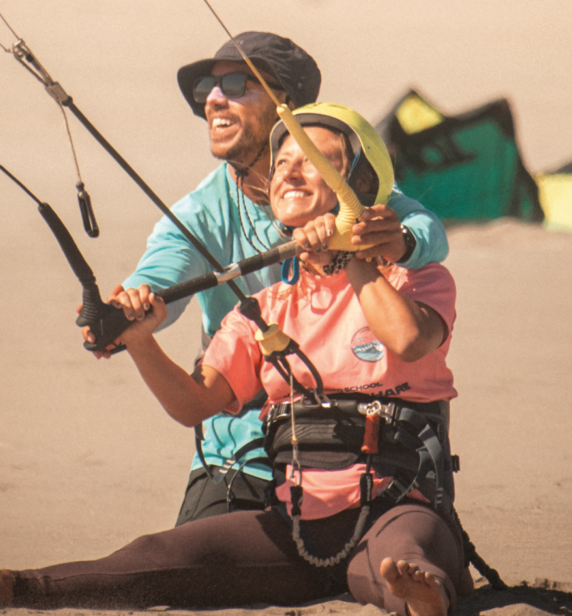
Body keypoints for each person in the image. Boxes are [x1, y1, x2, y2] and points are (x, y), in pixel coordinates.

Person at [0, 104, 472, 616]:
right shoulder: (267, 308)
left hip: (399, 507)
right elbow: (193, 404)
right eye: (282, 164)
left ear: (360, 187)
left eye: (314, 161)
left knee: (398, 557)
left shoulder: (416, 279)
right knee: (159, 554)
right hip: (298, 525)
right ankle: (14, 586)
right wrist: (139, 341)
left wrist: (350, 252)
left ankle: (422, 596)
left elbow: (407, 338)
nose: (289, 174)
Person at [113, 31, 450, 525]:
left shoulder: (347, 186)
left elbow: (428, 233)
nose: (212, 98)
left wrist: (390, 240)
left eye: (234, 83)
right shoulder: (197, 214)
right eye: (206, 87)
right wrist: (122, 316)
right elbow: (158, 278)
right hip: (242, 441)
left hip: (345, 439)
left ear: (286, 105)